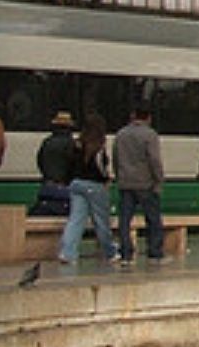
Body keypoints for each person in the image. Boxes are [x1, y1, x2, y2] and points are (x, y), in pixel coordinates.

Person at [60, 112, 119, 265]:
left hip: (76, 184)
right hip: (94, 185)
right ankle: (110, 252)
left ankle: (67, 252)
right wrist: (106, 179)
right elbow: (101, 168)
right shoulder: (98, 146)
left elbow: (69, 166)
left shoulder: (77, 144)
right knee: (101, 221)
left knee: (75, 219)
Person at [113, 106, 165, 264]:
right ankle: (154, 253)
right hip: (145, 183)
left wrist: (119, 176)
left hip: (125, 183)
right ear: (148, 118)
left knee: (125, 220)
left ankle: (126, 254)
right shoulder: (150, 135)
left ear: (133, 116)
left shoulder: (120, 134)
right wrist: (158, 179)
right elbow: (154, 159)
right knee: (153, 219)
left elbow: (116, 158)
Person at [31, 111, 78, 216]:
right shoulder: (72, 144)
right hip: (65, 189)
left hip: (47, 186)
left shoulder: (47, 142)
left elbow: (40, 162)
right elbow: (74, 166)